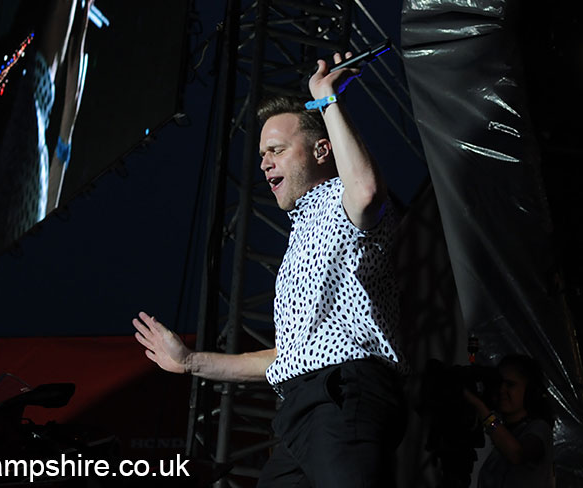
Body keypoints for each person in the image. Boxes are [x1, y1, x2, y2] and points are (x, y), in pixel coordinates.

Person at [132, 52, 407, 487]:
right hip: (301, 411)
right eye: (262, 154)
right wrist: (190, 361)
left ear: (321, 150)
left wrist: (327, 99)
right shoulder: (302, 232)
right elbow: (287, 356)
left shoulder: (343, 201)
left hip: (344, 392)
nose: (264, 163)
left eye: (276, 150)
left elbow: (368, 190)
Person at [464, 355, 555, 488]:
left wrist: (481, 409)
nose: (502, 390)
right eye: (499, 383)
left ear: (530, 391)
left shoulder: (539, 428)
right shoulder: (502, 438)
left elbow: (518, 454)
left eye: (510, 385)